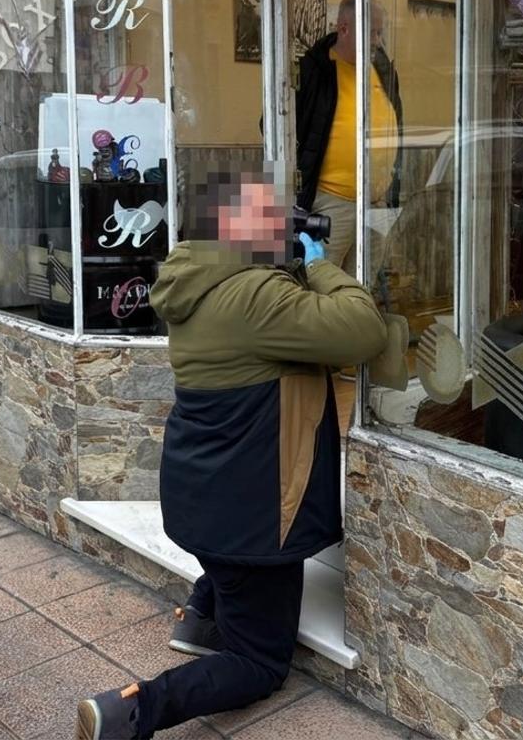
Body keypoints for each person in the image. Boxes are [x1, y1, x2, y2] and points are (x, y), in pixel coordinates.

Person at [75, 168, 389, 740]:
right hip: (251, 515)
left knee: (229, 573)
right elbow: (363, 330)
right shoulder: (256, 295)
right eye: (273, 217)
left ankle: (200, 618)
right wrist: (319, 265)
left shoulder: (197, 275)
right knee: (259, 662)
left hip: (205, 496)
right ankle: (134, 711)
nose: (283, 225)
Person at [295, 0, 403, 276]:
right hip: (331, 202)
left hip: (375, 205)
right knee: (323, 285)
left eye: (380, 32)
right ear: (343, 29)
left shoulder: (382, 71)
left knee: (363, 291)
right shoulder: (314, 70)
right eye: (371, 32)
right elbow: (277, 126)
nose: (377, 41)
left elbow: (397, 128)